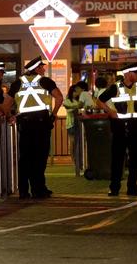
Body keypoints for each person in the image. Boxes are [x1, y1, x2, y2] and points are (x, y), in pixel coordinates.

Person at [8, 56, 63, 199]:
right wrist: (54, 113)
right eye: (42, 67)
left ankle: (24, 191)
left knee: (25, 158)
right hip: (41, 123)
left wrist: (11, 115)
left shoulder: (17, 83)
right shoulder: (44, 81)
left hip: (24, 123)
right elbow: (59, 97)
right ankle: (39, 189)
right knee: (40, 157)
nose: (44, 69)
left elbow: (6, 103)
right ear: (36, 69)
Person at [96, 63, 137, 196]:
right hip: (119, 127)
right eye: (134, 73)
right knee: (117, 158)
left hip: (135, 127)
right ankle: (114, 188)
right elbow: (99, 100)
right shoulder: (115, 87)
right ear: (127, 74)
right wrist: (110, 111)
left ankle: (132, 187)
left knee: (135, 158)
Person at [63, 84, 84, 174]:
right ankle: (73, 159)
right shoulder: (68, 100)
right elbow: (69, 110)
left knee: (78, 142)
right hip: (71, 123)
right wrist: (77, 107)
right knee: (72, 141)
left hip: (79, 124)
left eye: (77, 91)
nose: (76, 93)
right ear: (71, 92)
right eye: (75, 91)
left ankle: (79, 161)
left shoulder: (78, 100)